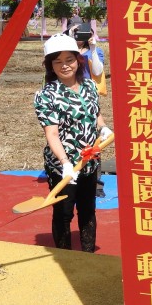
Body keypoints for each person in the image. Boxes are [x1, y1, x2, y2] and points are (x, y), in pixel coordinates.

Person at [34, 34, 113, 252]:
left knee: (88, 209)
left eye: (69, 59)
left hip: (90, 160)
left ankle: (87, 256)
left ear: (78, 60)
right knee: (64, 211)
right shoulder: (46, 95)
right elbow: (51, 134)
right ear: (50, 65)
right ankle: (65, 256)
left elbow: (95, 114)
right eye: (57, 61)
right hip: (64, 165)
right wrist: (65, 163)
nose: (64, 66)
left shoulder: (89, 86)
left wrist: (103, 127)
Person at [68, 23, 107, 197]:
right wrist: (69, 39)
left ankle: (96, 182)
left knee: (93, 140)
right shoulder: (67, 51)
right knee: (71, 137)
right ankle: (72, 176)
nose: (80, 37)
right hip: (69, 98)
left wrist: (93, 47)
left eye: (84, 34)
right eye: (77, 33)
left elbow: (98, 71)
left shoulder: (94, 51)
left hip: (88, 98)